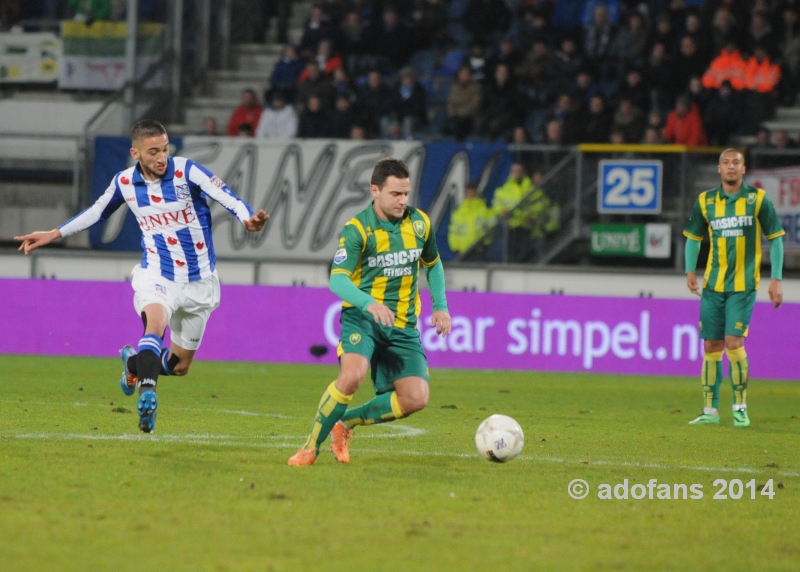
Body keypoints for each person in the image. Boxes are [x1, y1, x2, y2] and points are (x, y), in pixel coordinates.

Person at [14, 120, 269, 433]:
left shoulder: (188, 171)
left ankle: (134, 365)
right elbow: (97, 212)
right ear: (135, 153)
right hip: (157, 274)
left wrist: (248, 218)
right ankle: (148, 393)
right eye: (153, 151)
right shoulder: (124, 183)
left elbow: (226, 195)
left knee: (179, 366)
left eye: (164, 149)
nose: (161, 156)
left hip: (200, 282)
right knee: (155, 323)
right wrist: (54, 232)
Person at [287, 158, 451, 466]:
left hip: (402, 325)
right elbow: (337, 278)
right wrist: (368, 303)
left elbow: (434, 263)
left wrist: (440, 306)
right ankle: (309, 448)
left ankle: (344, 423)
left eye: (406, 193)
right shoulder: (357, 229)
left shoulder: (420, 223)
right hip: (363, 319)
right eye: (395, 194)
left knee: (416, 398)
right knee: (352, 377)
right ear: (374, 190)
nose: (403, 200)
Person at [683, 149, 785, 428]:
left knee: (734, 343)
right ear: (718, 169)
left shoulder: (757, 199)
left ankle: (740, 407)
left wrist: (775, 278)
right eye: (726, 163)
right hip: (713, 285)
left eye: (735, 163)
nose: (730, 167)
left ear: (743, 168)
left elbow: (775, 239)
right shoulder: (705, 201)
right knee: (711, 345)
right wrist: (689, 270)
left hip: (743, 285)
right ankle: (709, 411)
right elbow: (693, 238)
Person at [448, 181, 495, 256]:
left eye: (472, 191)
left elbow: (492, 229)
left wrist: (484, 245)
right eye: (468, 192)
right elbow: (453, 231)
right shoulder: (459, 210)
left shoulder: (485, 209)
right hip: (461, 253)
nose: (470, 194)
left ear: (476, 192)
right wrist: (455, 249)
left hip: (478, 251)